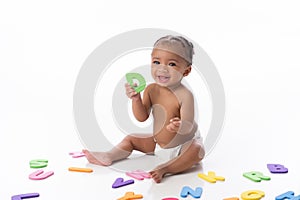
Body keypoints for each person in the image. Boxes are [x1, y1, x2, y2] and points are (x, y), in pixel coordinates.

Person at [83, 35, 205, 183]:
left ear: (186, 71)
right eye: (156, 62)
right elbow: (142, 117)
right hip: (158, 143)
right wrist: (136, 100)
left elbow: (188, 125)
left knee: (197, 150)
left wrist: (180, 126)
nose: (162, 68)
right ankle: (109, 155)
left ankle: (166, 168)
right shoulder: (151, 89)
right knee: (131, 139)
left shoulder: (185, 95)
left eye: (172, 64)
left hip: (182, 145)